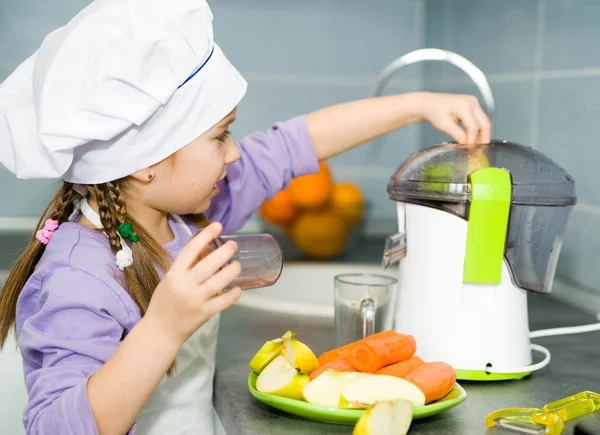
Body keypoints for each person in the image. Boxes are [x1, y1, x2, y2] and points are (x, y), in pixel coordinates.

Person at [0, 0, 491, 434]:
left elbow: (295, 144)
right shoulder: (78, 277)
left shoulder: (191, 215)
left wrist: (417, 105)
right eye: (220, 136)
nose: (235, 154)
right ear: (147, 160)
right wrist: (163, 328)